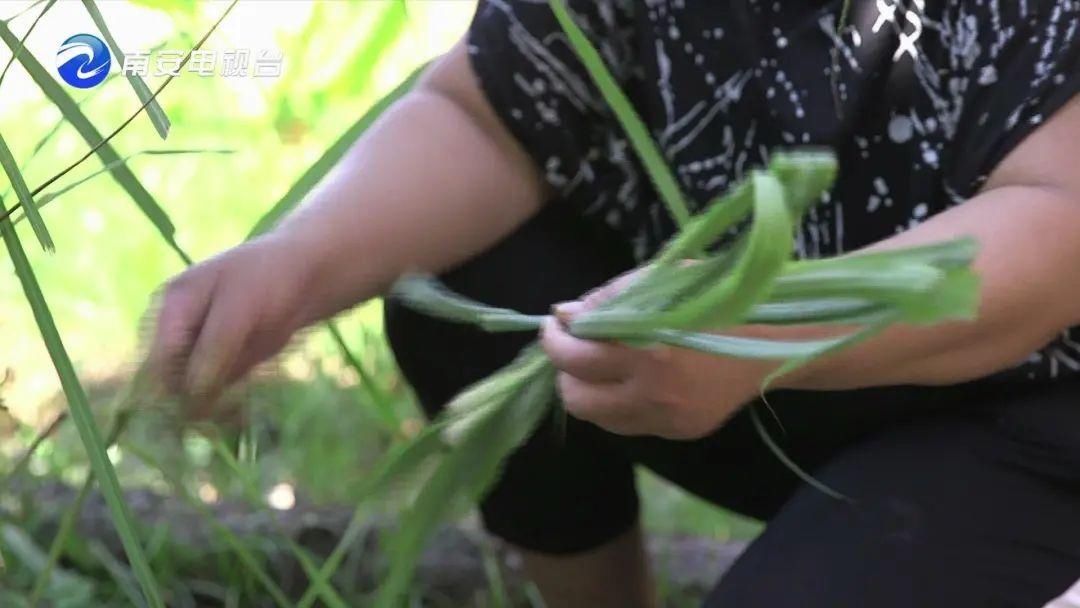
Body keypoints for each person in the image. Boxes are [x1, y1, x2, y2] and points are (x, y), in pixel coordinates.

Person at [148, 1, 1080, 606]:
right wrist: (293, 266)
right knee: (461, 280)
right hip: (751, 362)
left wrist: (762, 333)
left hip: (1026, 410)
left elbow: (1058, 226)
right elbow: (492, 113)